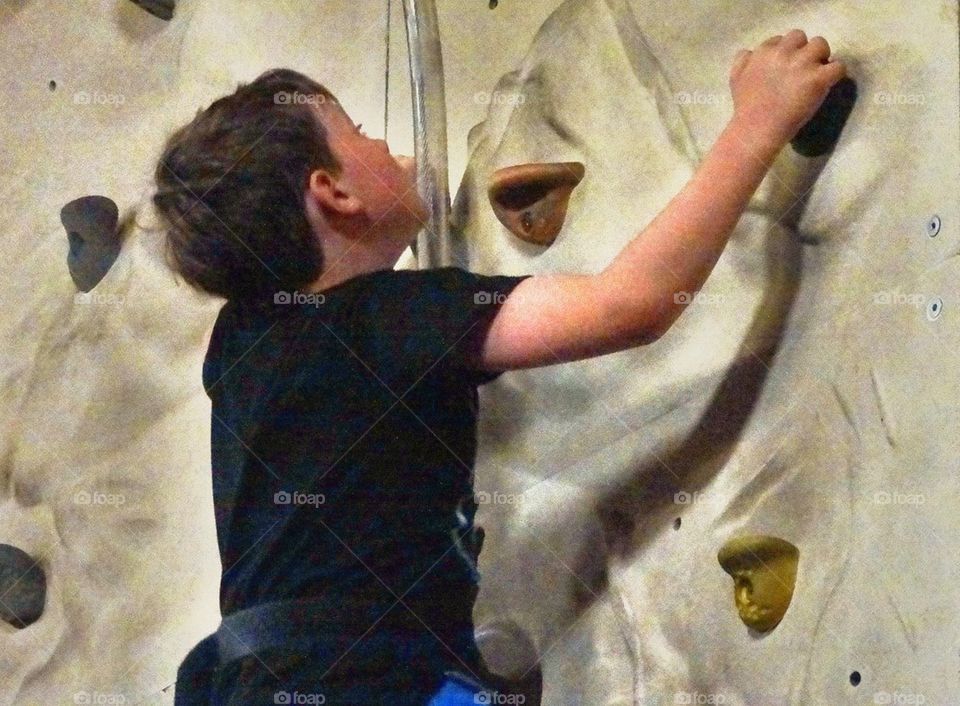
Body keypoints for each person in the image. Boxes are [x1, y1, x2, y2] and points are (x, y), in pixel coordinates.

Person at [152, 28, 845, 705]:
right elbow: (628, 305)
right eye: (359, 131)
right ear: (333, 192)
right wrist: (758, 123)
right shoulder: (385, 317)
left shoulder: (242, 345)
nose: (387, 146)